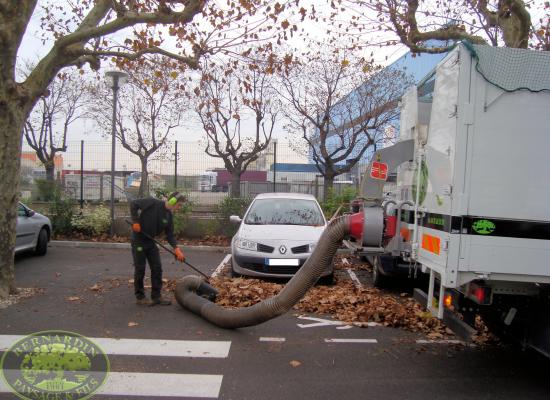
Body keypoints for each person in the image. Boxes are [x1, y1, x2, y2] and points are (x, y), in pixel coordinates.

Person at [129, 191, 187, 306]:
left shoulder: (168, 215)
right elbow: (133, 204)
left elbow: (169, 234)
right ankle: (140, 297)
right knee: (140, 268)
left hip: (150, 242)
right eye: (179, 205)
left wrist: (176, 248)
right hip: (139, 241)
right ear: (172, 201)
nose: (179, 208)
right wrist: (135, 221)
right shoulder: (152, 202)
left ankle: (156, 296)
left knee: (157, 268)